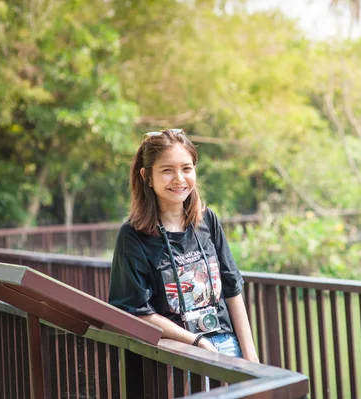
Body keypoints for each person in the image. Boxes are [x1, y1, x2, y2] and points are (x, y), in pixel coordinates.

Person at [108, 128, 259, 362]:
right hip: (178, 352)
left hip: (228, 346)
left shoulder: (207, 220)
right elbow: (135, 311)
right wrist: (195, 341)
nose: (179, 179)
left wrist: (252, 360)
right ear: (147, 176)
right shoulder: (132, 235)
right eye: (167, 170)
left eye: (186, 169)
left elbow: (232, 289)